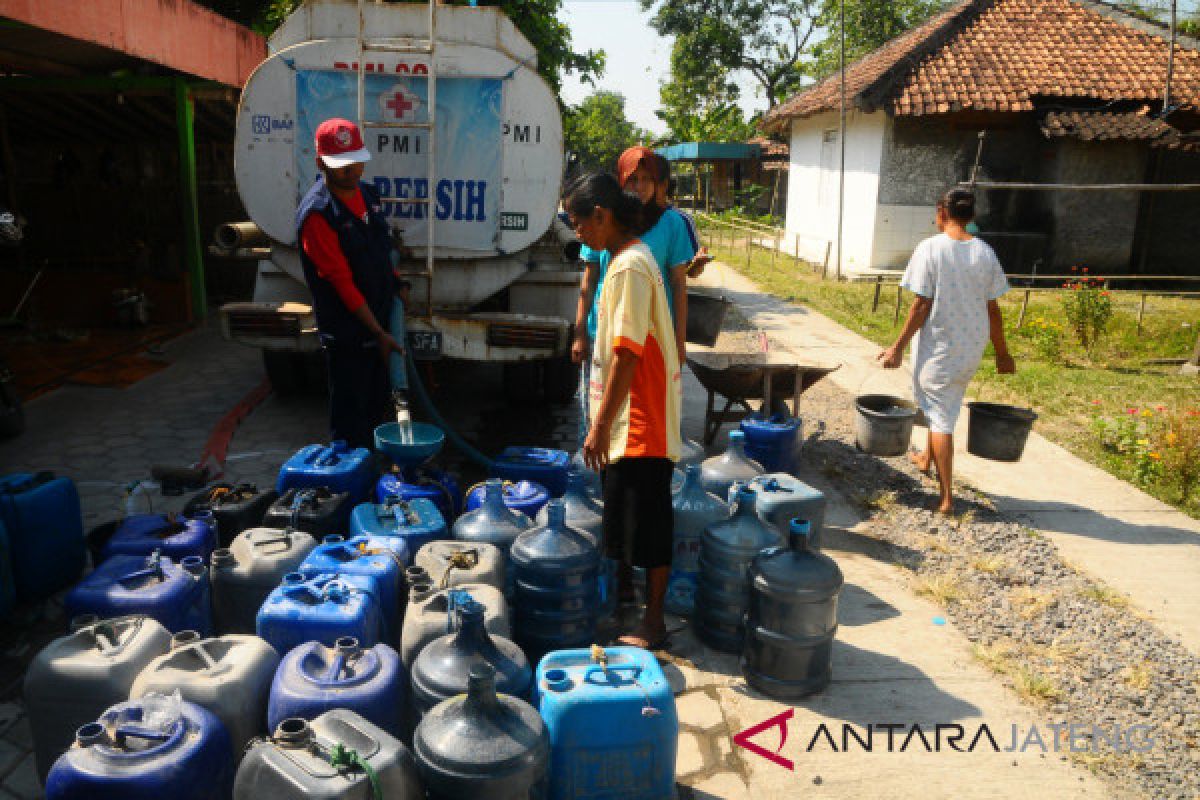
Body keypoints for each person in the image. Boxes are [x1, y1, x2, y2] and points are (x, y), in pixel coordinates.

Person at [566, 172, 682, 650]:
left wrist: (598, 425)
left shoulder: (632, 266)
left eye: (579, 223)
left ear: (602, 215)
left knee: (650, 522)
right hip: (626, 418)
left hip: (640, 418)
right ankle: (629, 609)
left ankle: (653, 625)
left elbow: (629, 353)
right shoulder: (621, 261)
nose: (577, 233)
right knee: (626, 520)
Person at [878, 188, 1016, 514]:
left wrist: (895, 348)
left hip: (940, 347)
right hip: (969, 348)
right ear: (971, 215)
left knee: (941, 417)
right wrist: (1002, 352)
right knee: (942, 403)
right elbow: (993, 309)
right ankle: (925, 459)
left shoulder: (931, 249)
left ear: (942, 212)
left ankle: (946, 499)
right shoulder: (985, 253)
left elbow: (920, 304)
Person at [296, 117, 403, 449]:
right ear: (320, 164)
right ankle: (349, 488)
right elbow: (342, 283)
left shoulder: (368, 195)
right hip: (351, 336)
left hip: (378, 327)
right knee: (352, 424)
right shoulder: (318, 215)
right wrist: (377, 333)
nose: (353, 170)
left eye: (356, 161)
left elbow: (384, 251)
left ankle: (372, 481)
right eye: (342, 166)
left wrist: (398, 287)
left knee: (376, 416)